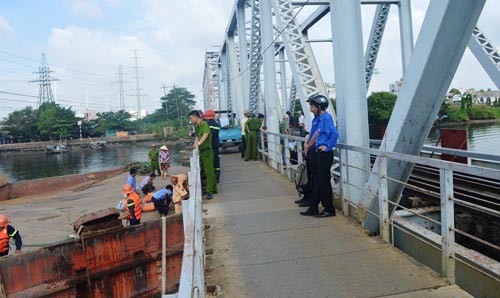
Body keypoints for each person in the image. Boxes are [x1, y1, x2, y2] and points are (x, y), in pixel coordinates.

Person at [300, 94, 339, 218]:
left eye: (312, 105)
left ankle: (329, 209)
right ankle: (313, 207)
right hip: (319, 153)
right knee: (317, 181)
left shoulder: (326, 118)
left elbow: (334, 134)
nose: (310, 107)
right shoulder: (321, 118)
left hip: (324, 155)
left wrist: (327, 146)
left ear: (319, 106)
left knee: (323, 183)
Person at [189, 110, 217, 199]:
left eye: (191, 118)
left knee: (209, 171)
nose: (190, 120)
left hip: (207, 151)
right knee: (206, 171)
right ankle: (213, 188)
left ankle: (210, 191)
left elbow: (206, 133)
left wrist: (199, 143)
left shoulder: (204, 124)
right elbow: (197, 136)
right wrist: (195, 143)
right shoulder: (197, 126)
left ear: (195, 116)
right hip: (202, 151)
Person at [204, 109, 221, 183]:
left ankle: (214, 178)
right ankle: (217, 178)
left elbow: (210, 134)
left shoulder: (209, 124)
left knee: (212, 162)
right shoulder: (216, 123)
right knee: (216, 162)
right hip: (216, 145)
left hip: (211, 146)